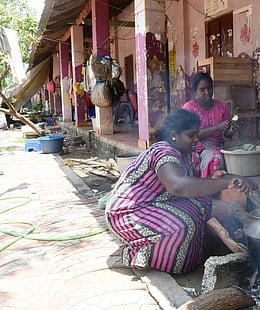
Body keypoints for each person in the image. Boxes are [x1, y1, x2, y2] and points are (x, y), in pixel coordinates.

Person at [105, 109, 251, 274]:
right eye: (191, 135)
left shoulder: (185, 154)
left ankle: (187, 248)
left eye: (197, 134)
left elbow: (194, 186)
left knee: (203, 204)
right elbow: (177, 186)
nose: (196, 139)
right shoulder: (163, 151)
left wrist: (213, 179)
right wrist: (226, 183)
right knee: (183, 225)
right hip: (127, 212)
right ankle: (136, 253)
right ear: (174, 135)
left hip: (156, 204)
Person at [183, 72, 236, 177]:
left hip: (218, 146)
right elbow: (191, 135)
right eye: (202, 90)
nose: (207, 92)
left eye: (209, 88)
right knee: (216, 157)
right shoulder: (189, 108)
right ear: (195, 92)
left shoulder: (222, 106)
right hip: (196, 149)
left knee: (233, 156)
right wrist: (217, 127)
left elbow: (226, 135)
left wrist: (230, 131)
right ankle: (208, 187)